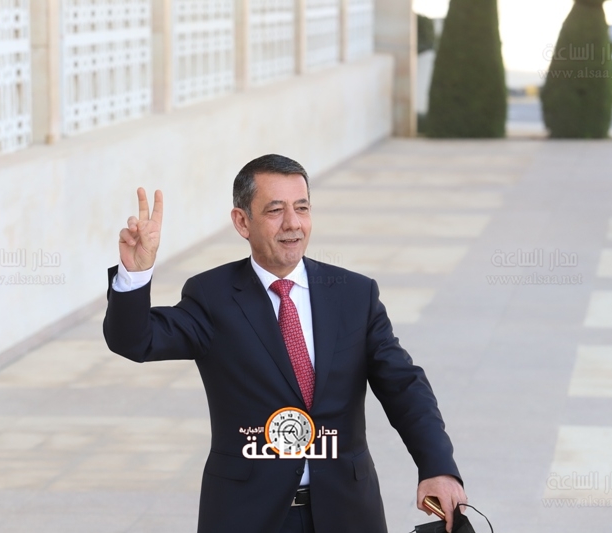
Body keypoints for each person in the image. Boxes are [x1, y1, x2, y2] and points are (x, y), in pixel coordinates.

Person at [103, 154, 466, 533]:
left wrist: (438, 467)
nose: (293, 223)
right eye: (275, 210)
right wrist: (135, 274)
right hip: (246, 515)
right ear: (242, 221)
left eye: (302, 208)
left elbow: (404, 386)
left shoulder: (354, 295)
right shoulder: (212, 296)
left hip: (347, 512)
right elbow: (135, 340)